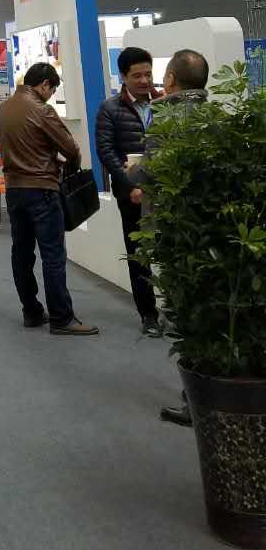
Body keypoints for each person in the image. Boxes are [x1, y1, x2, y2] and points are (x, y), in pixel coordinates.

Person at [127, 50, 210, 427]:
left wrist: (135, 172)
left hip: (174, 227)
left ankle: (195, 401)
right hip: (205, 227)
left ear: (171, 80)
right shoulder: (214, 116)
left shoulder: (166, 116)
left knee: (183, 315)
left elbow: (152, 171)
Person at [0, 63, 99, 336]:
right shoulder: (42, 110)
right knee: (53, 255)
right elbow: (70, 149)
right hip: (41, 189)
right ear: (44, 85)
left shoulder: (3, 110)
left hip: (14, 189)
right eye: (52, 90)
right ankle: (62, 318)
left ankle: (31, 311)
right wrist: (68, 165)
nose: (51, 96)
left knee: (22, 253)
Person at [95, 46, 162, 336]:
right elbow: (106, 151)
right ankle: (149, 314)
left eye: (148, 74)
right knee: (139, 255)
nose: (145, 80)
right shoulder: (110, 109)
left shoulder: (163, 103)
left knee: (171, 249)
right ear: (123, 76)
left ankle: (177, 308)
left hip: (165, 189)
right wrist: (130, 185)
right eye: (137, 76)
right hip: (131, 195)